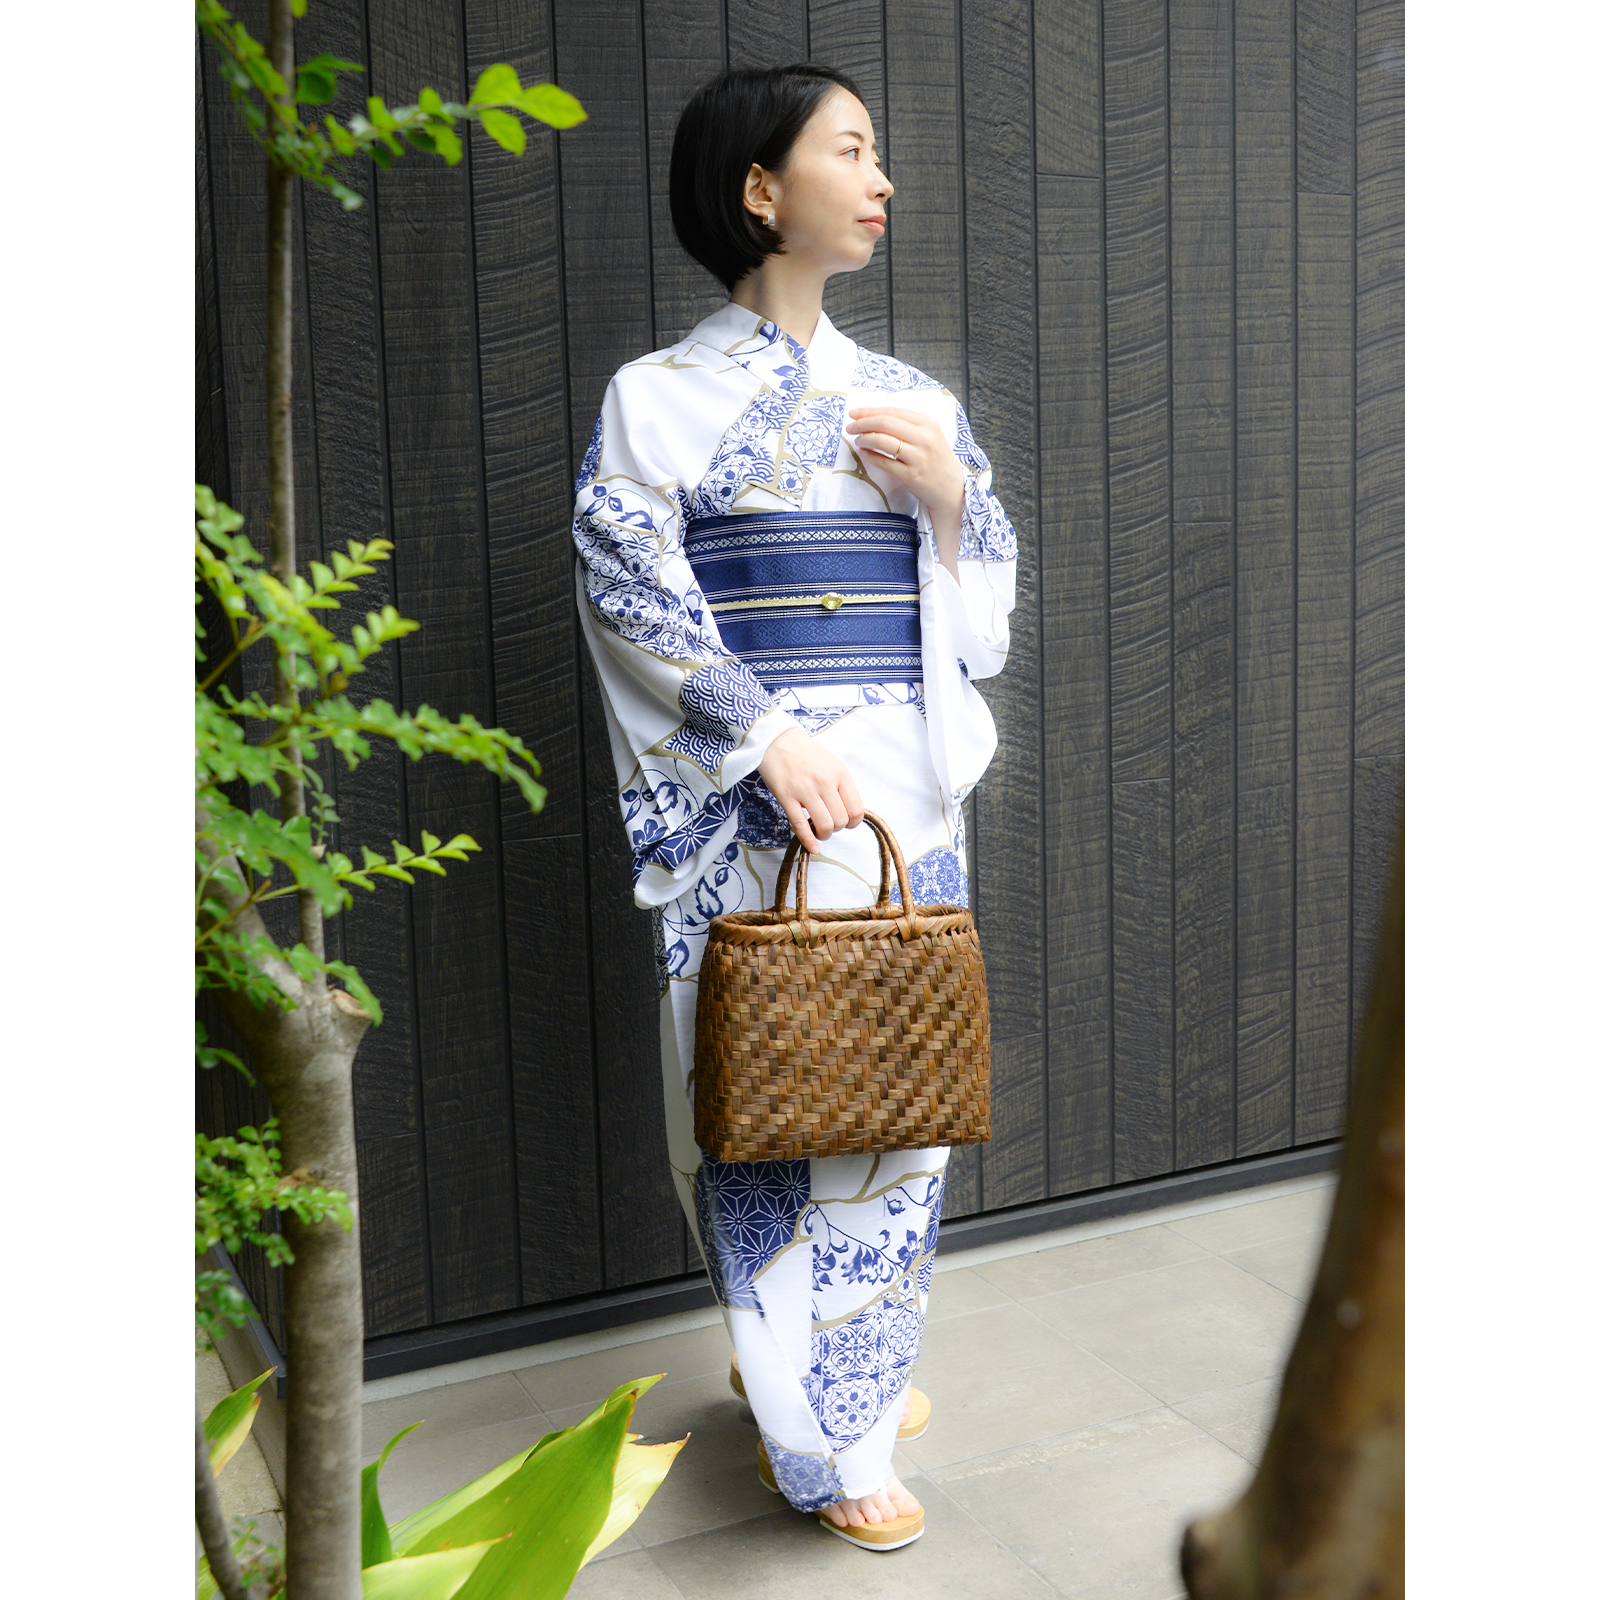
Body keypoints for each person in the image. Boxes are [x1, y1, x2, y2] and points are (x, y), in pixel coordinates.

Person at [570, 63, 1016, 1551]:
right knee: (758, 1098)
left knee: (898, 1093)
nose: (881, 180)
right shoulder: (657, 398)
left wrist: (949, 500)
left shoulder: (914, 401)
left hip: (899, 796)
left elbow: (982, 612)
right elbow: (628, 580)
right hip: (753, 801)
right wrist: (761, 733)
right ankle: (819, 1434)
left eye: (879, 153)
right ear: (761, 190)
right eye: (852, 150)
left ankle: (849, 1375)